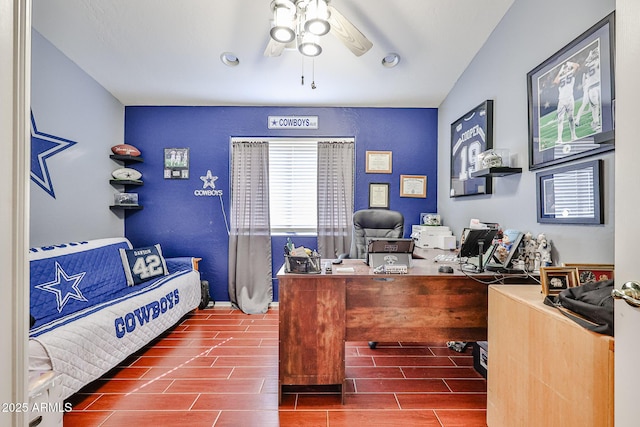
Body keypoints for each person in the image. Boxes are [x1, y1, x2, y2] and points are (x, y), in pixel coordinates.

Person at [576, 48, 601, 132]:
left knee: (595, 107)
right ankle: (596, 123)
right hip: (598, 85)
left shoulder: (587, 65)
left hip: (592, 88)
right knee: (597, 106)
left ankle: (596, 123)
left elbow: (581, 69)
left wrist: (589, 57)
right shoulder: (598, 60)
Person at [554, 61, 580, 143]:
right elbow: (555, 81)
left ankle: (573, 136)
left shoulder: (571, 74)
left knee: (571, 118)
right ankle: (559, 138)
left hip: (569, 98)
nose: (565, 70)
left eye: (566, 68)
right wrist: (560, 71)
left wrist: (569, 63)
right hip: (561, 100)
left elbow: (577, 65)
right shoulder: (561, 77)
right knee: (560, 119)